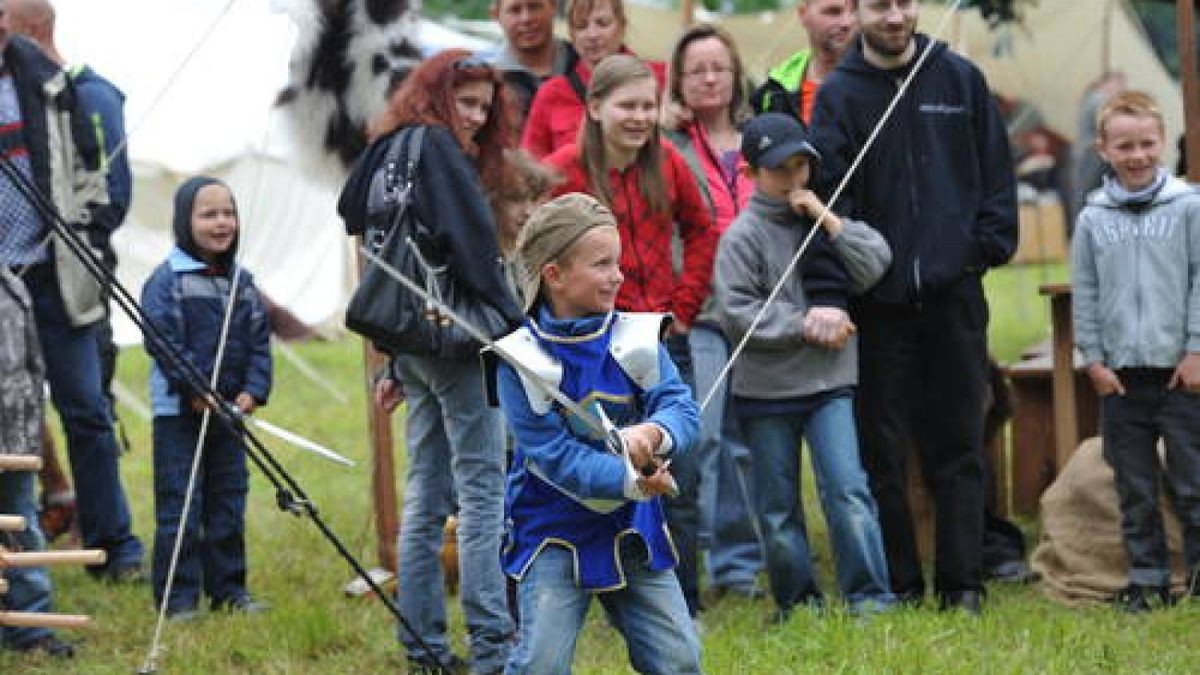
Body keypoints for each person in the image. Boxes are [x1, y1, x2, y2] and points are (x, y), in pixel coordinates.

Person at [808, 0, 1018, 613]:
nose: (895, 16)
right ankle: (900, 581)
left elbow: (996, 174)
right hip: (879, 306)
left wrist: (982, 248)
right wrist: (846, 284)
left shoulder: (960, 79)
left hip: (955, 298)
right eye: (879, 5)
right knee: (884, 449)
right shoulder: (839, 96)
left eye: (904, 2)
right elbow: (824, 202)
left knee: (961, 441)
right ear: (857, 11)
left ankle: (963, 584)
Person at [337, 49, 523, 674]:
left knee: (424, 497)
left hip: (407, 344)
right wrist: (517, 327)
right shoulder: (438, 149)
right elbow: (473, 250)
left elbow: (350, 209)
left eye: (482, 107)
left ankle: (422, 647)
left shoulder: (386, 146)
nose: (474, 117)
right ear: (436, 95)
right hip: (455, 340)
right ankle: (494, 648)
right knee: (480, 494)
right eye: (466, 102)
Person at [543, 53, 719, 619]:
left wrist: (685, 304)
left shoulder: (666, 162)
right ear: (595, 108)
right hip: (588, 350)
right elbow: (535, 258)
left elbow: (703, 228)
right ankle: (586, 594)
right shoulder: (562, 171)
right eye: (628, 105)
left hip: (658, 340)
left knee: (678, 472)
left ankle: (682, 601)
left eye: (649, 105)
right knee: (594, 472)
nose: (640, 117)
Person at [495, 192, 701, 674]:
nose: (618, 275)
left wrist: (653, 433)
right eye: (602, 264)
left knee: (679, 660)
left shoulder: (636, 337)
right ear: (555, 275)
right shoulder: (519, 360)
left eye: (619, 262)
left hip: (631, 526)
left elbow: (680, 406)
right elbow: (551, 454)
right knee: (541, 665)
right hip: (550, 530)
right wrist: (628, 479)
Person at [715, 112, 895, 618]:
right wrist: (803, 322)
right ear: (750, 174)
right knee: (776, 508)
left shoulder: (823, 221)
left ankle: (870, 598)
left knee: (848, 489)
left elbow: (875, 263)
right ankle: (798, 602)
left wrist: (826, 217)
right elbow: (737, 313)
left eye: (802, 166)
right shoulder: (741, 238)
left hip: (829, 381)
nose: (794, 179)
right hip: (766, 391)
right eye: (780, 169)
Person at [0, 2, 144, 582]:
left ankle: (115, 546)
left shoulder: (55, 85)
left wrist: (86, 230)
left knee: (86, 409)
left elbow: (97, 171)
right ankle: (21, 552)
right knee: (8, 425)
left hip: (54, 274)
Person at [1071, 90, 1200, 613]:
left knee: (1193, 482)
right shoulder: (1092, 220)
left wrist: (1196, 350)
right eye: (1124, 145)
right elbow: (1086, 291)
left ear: (1163, 142)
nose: (1138, 155)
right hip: (1122, 378)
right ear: (1104, 149)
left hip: (1180, 373)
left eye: (1147, 143)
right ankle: (1146, 579)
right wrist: (1093, 359)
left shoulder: (1190, 208)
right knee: (1134, 486)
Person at [663, 23, 764, 600]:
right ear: (679, 81)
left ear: (734, 74)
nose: (708, 78)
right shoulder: (668, 145)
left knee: (750, 442)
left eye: (718, 67)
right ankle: (703, 549)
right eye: (696, 69)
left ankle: (741, 564)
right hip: (696, 311)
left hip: (757, 313)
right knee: (705, 436)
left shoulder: (760, 140)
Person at [140, 176, 271, 619]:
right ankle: (178, 599)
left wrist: (253, 391)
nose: (221, 222)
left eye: (228, 213)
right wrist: (196, 392)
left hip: (230, 415)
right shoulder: (167, 281)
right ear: (185, 221)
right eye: (208, 214)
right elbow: (164, 343)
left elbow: (259, 343)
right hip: (180, 413)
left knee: (228, 502)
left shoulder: (242, 282)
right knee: (182, 505)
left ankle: (229, 590)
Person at [0, 269, 74, 658]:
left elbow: (33, 369)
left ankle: (31, 629)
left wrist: (32, 435)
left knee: (22, 528)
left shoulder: (12, 285)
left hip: (15, 436)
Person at [520, 0, 665, 158]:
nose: (592, 35)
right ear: (572, 35)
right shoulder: (551, 94)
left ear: (622, 27)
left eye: (602, 24)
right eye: (581, 26)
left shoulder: (661, 78)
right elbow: (531, 166)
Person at [751, 0, 856, 125]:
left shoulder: (881, 82)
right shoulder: (773, 93)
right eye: (833, 12)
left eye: (855, 11)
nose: (847, 22)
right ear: (803, 14)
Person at [487, 0, 577, 125]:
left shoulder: (585, 64)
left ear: (553, 7)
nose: (526, 18)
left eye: (534, 7)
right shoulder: (488, 80)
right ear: (496, 15)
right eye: (515, 10)